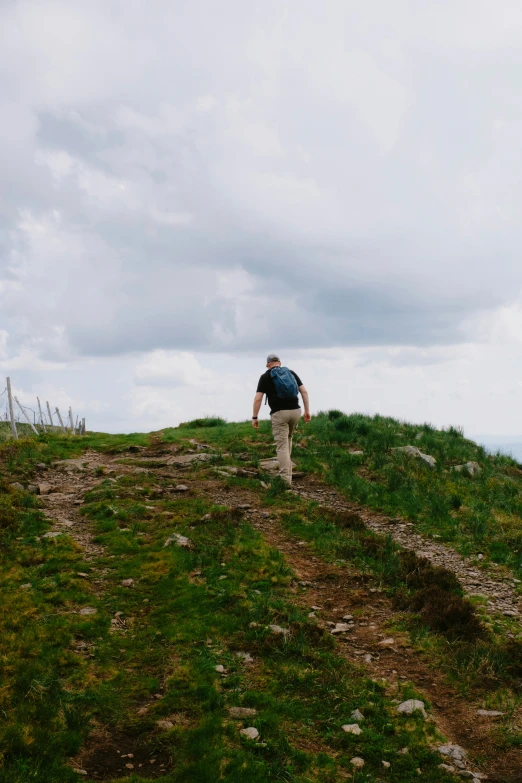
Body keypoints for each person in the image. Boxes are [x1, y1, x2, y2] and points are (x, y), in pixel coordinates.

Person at [252, 353, 311, 485]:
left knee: (282, 446)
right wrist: (307, 411)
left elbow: (258, 398)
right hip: (296, 411)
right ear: (279, 362)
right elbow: (304, 392)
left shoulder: (266, 376)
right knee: (288, 439)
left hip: (280, 413)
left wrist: (255, 417)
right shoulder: (291, 373)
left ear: (268, 364)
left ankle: (285, 481)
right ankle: (288, 473)